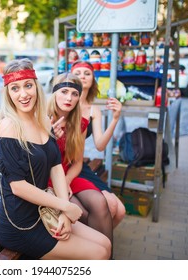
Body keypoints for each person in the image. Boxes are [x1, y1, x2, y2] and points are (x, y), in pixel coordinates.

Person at [0, 58, 111, 260]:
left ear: (37, 87)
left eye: (28, 86)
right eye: (15, 88)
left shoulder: (43, 123)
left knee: (105, 243)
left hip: (45, 212)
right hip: (21, 225)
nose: (23, 94)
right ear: (8, 93)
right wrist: (65, 206)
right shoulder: (9, 126)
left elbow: (56, 167)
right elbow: (18, 187)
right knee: (99, 254)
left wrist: (64, 212)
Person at [47, 72, 114, 244]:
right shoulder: (42, 119)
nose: (69, 97)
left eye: (74, 93)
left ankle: (106, 257)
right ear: (54, 92)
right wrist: (49, 137)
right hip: (46, 178)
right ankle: (93, 251)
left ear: (79, 98)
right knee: (81, 212)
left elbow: (77, 162)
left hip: (68, 175)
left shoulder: (80, 123)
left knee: (100, 202)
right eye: (64, 91)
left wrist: (67, 180)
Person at [71, 60, 126, 228]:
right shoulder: (65, 102)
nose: (82, 76)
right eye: (77, 73)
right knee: (110, 206)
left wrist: (115, 118)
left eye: (87, 73)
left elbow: (100, 145)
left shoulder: (94, 109)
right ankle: (99, 246)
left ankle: (102, 244)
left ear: (93, 79)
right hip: (65, 166)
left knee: (120, 210)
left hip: (81, 166)